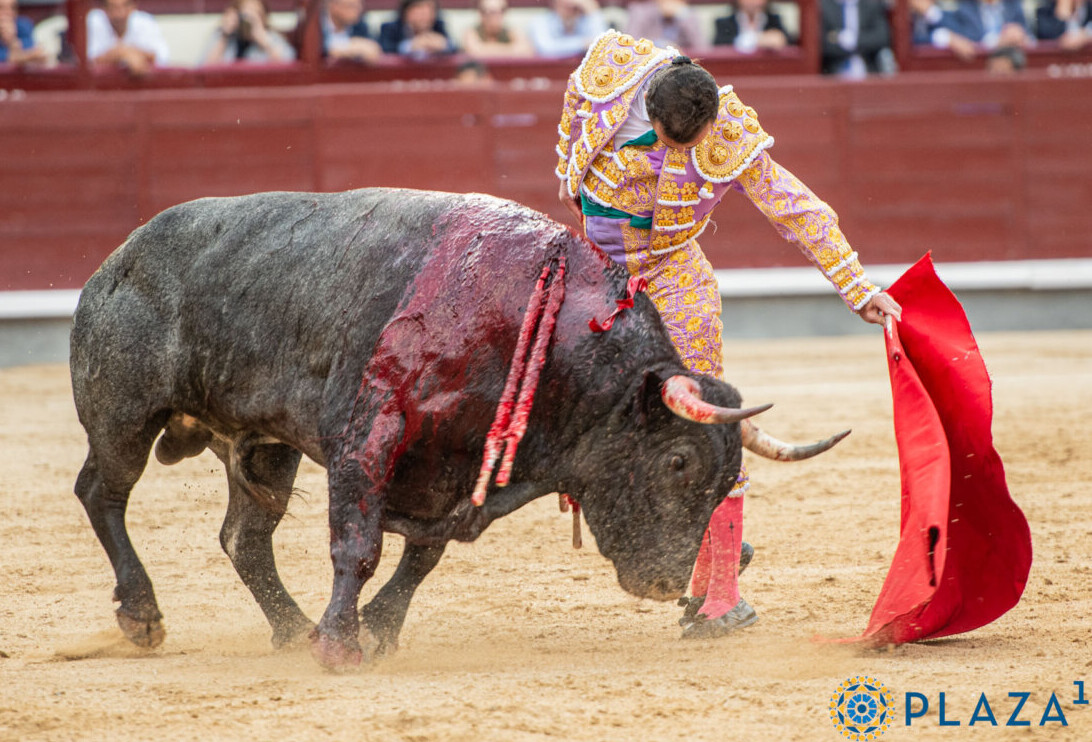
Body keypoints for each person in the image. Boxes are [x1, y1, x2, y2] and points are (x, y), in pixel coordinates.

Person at [553, 30, 902, 639]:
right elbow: (572, 132)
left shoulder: (728, 130)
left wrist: (857, 287)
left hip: (672, 273)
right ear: (650, 110)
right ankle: (705, 557)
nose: (680, 149)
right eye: (668, 140)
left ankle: (724, 596)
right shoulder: (613, 69)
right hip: (597, 274)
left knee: (708, 424)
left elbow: (795, 207)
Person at [86, 0, 169, 76]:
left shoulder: (145, 22)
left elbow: (161, 58)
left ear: (133, 6)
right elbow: (86, 61)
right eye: (112, 7)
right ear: (103, 8)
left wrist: (129, 54)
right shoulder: (92, 21)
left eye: (125, 5)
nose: (119, 14)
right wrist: (123, 53)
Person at [201, 0, 295, 65]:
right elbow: (203, 69)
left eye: (256, 14)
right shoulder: (222, 37)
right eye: (244, 16)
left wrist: (263, 39)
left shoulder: (271, 38)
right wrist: (224, 36)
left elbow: (289, 64)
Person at [934, 0, 1033, 61]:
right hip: (977, 69)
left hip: (1011, 67)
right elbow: (941, 32)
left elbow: (1031, 39)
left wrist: (1023, 37)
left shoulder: (1013, 5)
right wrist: (948, 37)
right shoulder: (966, 8)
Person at [820, 0, 895, 76]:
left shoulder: (871, 5)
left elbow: (882, 37)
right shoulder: (823, 6)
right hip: (834, 73)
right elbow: (821, 43)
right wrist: (844, 45)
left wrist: (855, 41)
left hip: (869, 72)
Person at [528, 0, 607, 58]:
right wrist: (582, 44)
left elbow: (602, 45)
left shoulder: (585, 20)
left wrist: (592, 11)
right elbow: (546, 49)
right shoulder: (540, 21)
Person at [378, 0, 456, 59]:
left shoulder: (438, 26)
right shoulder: (390, 28)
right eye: (420, 9)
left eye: (430, 9)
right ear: (406, 11)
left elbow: (455, 48)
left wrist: (444, 44)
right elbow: (383, 49)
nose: (426, 14)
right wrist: (410, 46)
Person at [461, 0, 534, 59]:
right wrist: (511, 49)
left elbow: (526, 50)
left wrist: (486, 49)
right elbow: (475, 52)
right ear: (481, 13)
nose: (495, 16)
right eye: (491, 12)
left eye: (501, 11)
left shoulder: (510, 31)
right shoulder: (472, 31)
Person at [625, 0, 708, 52]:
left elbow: (702, 49)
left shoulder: (689, 16)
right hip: (648, 67)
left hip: (680, 69)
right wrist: (660, 45)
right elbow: (630, 44)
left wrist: (682, 15)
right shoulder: (640, 12)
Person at [712, 0, 791, 52]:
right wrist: (757, 40)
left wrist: (780, 38)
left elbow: (790, 42)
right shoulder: (724, 23)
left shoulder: (774, 20)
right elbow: (719, 45)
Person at [0, 0, 49, 66]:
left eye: (12, 8)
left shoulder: (22, 25)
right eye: (1, 8)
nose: (8, 12)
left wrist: (12, 41)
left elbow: (32, 52)